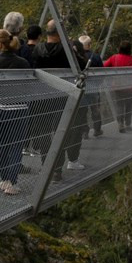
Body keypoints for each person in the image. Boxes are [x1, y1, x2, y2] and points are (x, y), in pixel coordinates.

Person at [30, 20, 87, 177]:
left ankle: (46, 165)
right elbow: (81, 67)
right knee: (60, 132)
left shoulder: (37, 50)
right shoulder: (66, 50)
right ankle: (56, 170)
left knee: (43, 133)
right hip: (62, 96)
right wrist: (74, 50)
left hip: (40, 97)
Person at [0, 29, 30, 195]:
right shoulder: (23, 62)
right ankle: (13, 181)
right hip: (20, 108)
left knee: (1, 144)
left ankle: (4, 179)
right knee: (17, 145)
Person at [104, 39, 132, 132]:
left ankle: (120, 124)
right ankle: (128, 124)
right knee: (128, 106)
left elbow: (104, 66)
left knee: (119, 105)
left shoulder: (114, 58)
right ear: (129, 49)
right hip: (130, 87)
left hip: (118, 86)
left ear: (120, 48)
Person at [80, 35, 105, 137]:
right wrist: (98, 83)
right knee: (95, 109)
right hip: (94, 87)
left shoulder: (76, 57)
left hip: (82, 87)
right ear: (89, 45)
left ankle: (85, 131)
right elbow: (102, 72)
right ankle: (97, 129)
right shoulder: (95, 56)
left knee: (82, 110)